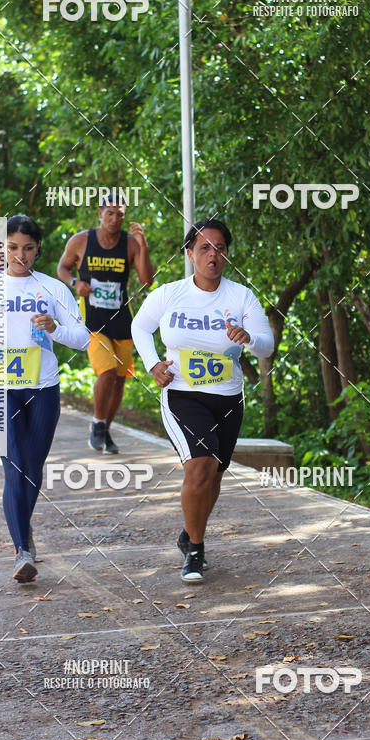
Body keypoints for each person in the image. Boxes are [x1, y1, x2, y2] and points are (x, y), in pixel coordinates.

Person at [131, 218, 274, 581]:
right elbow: (140, 327)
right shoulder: (169, 293)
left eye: (220, 248)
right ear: (190, 253)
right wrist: (152, 365)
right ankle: (195, 551)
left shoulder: (241, 296)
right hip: (182, 394)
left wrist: (248, 338)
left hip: (227, 397)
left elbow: (266, 344)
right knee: (199, 465)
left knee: (213, 477)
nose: (213, 254)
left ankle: (189, 533)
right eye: (205, 248)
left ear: (227, 254)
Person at [0, 215, 89, 582]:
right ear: (3, 248)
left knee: (31, 469)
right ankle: (22, 551)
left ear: (37, 250)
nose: (21, 255)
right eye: (13, 247)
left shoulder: (52, 289)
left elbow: (83, 338)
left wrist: (56, 328)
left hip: (42, 387)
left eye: (28, 248)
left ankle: (22, 530)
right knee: (14, 465)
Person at [57, 194, 154, 454]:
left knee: (120, 380)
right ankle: (98, 422)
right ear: (99, 213)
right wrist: (75, 283)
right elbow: (63, 268)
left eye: (120, 214)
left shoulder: (131, 244)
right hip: (92, 319)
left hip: (122, 318)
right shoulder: (81, 241)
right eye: (109, 213)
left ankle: (104, 430)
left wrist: (143, 246)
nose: (114, 219)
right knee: (108, 371)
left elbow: (147, 281)